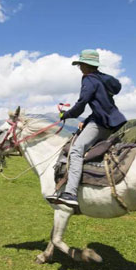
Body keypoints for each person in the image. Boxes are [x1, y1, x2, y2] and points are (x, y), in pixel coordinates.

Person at [47, 49, 127, 208]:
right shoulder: (101, 80)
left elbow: (81, 104)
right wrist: (87, 120)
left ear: (86, 65)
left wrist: (65, 115)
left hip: (100, 123)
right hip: (109, 122)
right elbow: (101, 106)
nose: (80, 68)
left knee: (76, 150)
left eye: (80, 65)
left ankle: (70, 193)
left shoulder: (88, 79)